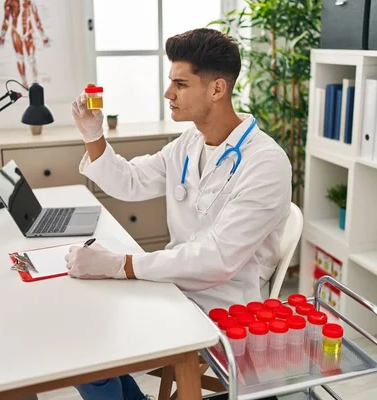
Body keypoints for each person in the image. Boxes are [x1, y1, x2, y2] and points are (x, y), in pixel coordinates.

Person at [67, 28, 292, 400]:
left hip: (225, 302)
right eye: (170, 82)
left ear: (217, 89)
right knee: (82, 323)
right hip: (176, 284)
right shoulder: (190, 142)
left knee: (92, 341)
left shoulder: (265, 163)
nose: (168, 93)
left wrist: (122, 265)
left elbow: (218, 260)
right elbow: (132, 182)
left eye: (180, 84)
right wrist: (94, 136)